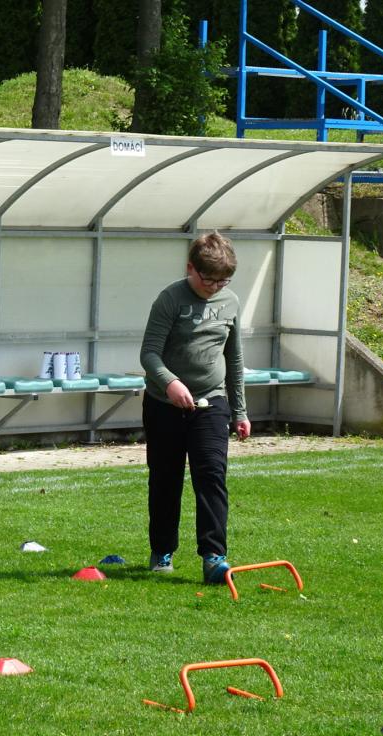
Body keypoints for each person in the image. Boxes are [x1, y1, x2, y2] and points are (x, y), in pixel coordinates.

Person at [139, 231, 251, 585]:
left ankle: (214, 557)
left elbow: (234, 359)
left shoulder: (230, 302)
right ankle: (162, 550)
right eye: (208, 279)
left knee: (211, 476)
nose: (215, 287)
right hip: (164, 404)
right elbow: (149, 354)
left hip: (211, 402)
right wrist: (170, 383)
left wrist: (240, 411)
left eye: (223, 281)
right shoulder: (170, 299)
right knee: (165, 479)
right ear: (190, 268)